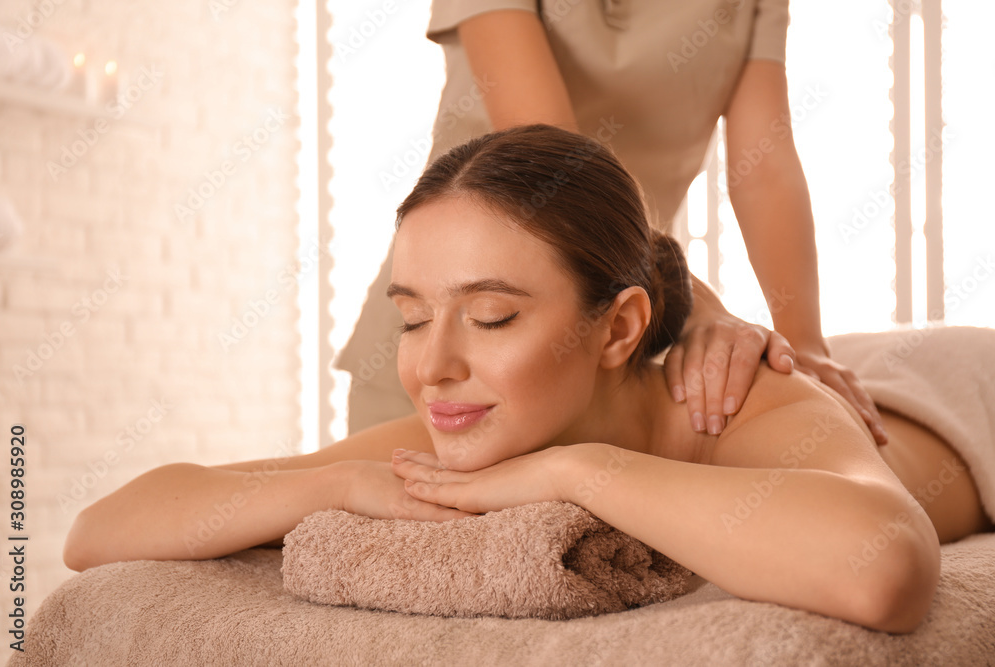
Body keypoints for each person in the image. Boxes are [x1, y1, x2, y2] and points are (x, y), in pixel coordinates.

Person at [64, 126, 991, 634]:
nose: (433, 366)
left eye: (494, 315)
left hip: (954, 386)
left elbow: (885, 569)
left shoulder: (730, 400)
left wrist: (576, 471)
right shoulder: (462, 422)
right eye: (414, 316)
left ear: (620, 328)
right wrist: (339, 481)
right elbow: (95, 532)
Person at [336, 0, 891, 445]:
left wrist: (804, 346)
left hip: (602, 327)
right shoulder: (434, 358)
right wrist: (702, 311)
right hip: (459, 333)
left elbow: (764, 168)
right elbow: (559, 172)